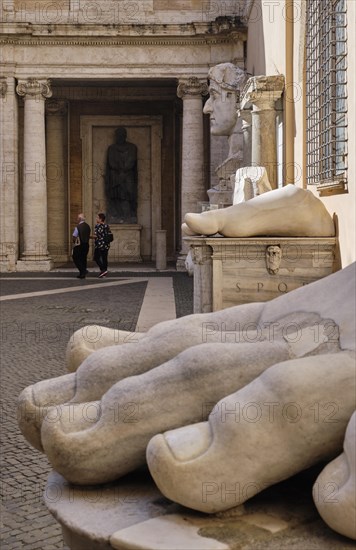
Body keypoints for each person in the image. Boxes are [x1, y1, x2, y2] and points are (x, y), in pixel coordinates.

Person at [105, 126, 138, 224]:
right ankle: (116, 216)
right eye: (118, 135)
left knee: (127, 196)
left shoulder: (132, 147)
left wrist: (124, 171)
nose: (120, 137)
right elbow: (111, 162)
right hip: (115, 177)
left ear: (125, 136)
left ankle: (128, 216)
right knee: (115, 197)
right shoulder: (112, 148)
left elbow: (131, 161)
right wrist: (119, 171)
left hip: (128, 176)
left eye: (122, 135)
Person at [90, 212, 111, 278]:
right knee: (104, 258)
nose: (96, 218)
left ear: (100, 219)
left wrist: (89, 236)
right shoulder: (106, 226)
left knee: (96, 257)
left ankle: (103, 270)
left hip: (100, 245)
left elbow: (97, 236)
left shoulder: (98, 226)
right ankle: (104, 272)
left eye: (97, 217)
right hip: (106, 245)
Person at [72, 213, 91, 279]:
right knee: (83, 259)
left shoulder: (78, 227)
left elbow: (74, 236)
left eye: (77, 218)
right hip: (86, 244)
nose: (77, 219)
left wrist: (74, 242)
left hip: (79, 245)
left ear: (80, 219)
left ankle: (83, 271)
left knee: (75, 257)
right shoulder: (88, 226)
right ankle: (82, 274)